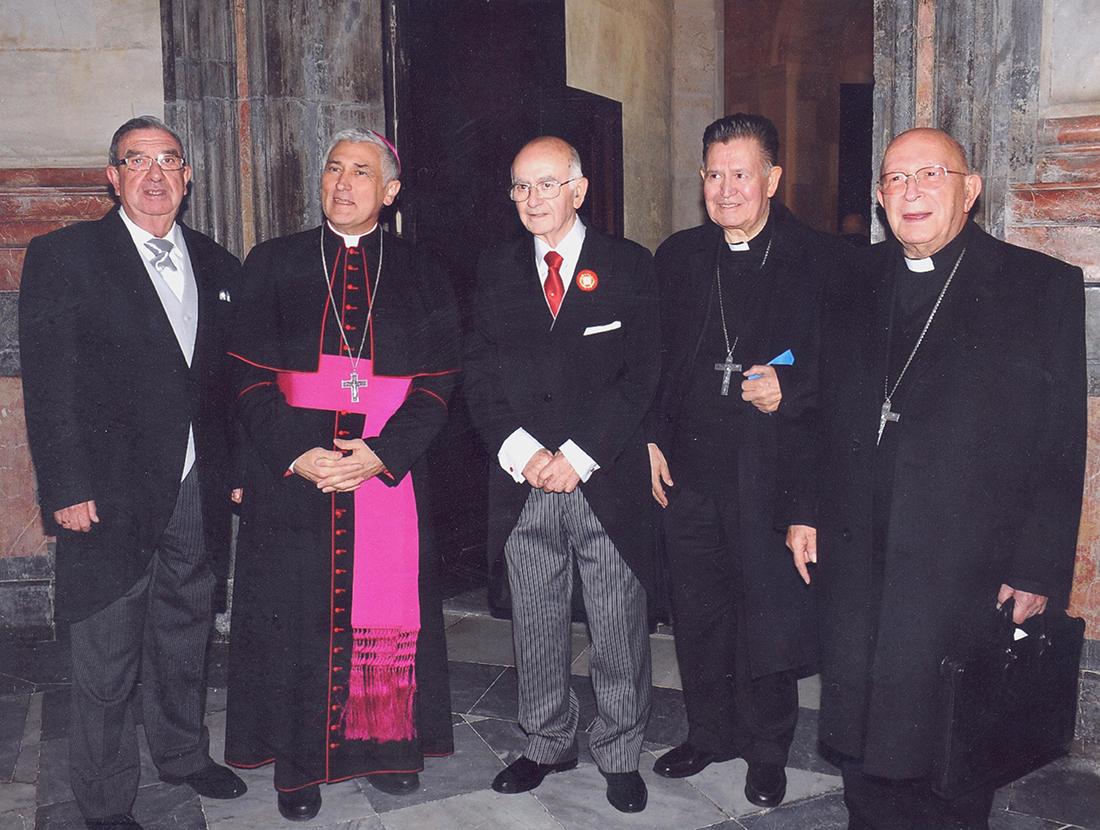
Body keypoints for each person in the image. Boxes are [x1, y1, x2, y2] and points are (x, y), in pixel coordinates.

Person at [784, 127, 1086, 829]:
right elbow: (812, 410)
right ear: (880, 197)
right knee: (862, 725)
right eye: (894, 179)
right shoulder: (847, 280)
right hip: (860, 551)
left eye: (930, 175)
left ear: (970, 189)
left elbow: (1059, 443)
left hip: (965, 563)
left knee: (950, 744)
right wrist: (802, 509)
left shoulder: (1038, 287)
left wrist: (1038, 567)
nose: (910, 192)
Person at [223, 128, 459, 822]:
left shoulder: (421, 270)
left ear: (389, 193)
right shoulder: (273, 262)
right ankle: (296, 766)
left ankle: (382, 751)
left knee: (381, 614)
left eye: (362, 172)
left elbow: (441, 380)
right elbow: (244, 376)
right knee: (294, 615)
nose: (344, 183)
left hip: (386, 473)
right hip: (294, 475)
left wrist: (382, 455)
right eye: (333, 169)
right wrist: (299, 454)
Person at [19, 116, 246, 830]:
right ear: (111, 177)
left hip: (195, 488)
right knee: (105, 656)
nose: (155, 176)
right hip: (105, 495)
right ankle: (105, 798)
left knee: (185, 633)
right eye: (136, 161)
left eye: (169, 161)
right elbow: (50, 385)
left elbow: (228, 385)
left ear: (187, 177)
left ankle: (182, 755)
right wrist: (65, 488)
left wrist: (234, 471)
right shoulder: (65, 255)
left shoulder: (218, 263)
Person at [463, 136, 659, 813]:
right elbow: (478, 374)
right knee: (536, 622)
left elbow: (642, 378)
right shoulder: (493, 270)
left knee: (616, 626)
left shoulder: (630, 266)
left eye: (546, 185)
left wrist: (575, 456)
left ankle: (621, 751)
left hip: (602, 480)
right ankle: (546, 743)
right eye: (520, 187)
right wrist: (523, 452)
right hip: (523, 483)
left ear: (578, 191)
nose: (531, 199)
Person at [646, 113, 827, 807]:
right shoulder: (680, 256)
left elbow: (848, 370)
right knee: (699, 613)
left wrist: (794, 385)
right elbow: (654, 363)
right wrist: (651, 438)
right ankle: (708, 732)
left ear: (773, 179)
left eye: (741, 174)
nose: (726, 189)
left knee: (766, 617)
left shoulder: (818, 259)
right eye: (714, 174)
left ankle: (767, 749)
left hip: (770, 475)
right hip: (688, 472)